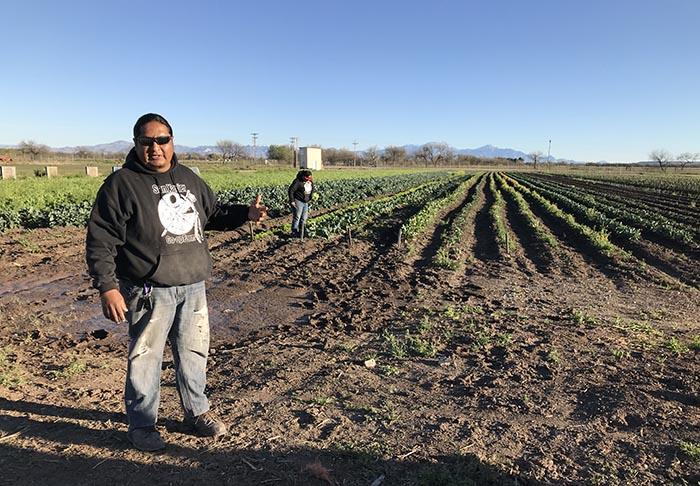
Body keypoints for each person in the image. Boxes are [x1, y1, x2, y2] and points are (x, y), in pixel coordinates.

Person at [85, 113, 267, 452]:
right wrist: (107, 286)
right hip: (148, 288)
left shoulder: (187, 178)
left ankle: (196, 413)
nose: (155, 148)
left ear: (172, 141)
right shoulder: (122, 184)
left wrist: (246, 214)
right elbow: (101, 238)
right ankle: (142, 425)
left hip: (193, 286)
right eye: (147, 141)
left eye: (162, 140)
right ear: (136, 144)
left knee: (193, 354)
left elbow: (212, 214)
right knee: (146, 357)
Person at [288, 169, 314, 237]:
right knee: (297, 217)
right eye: (307, 178)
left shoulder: (309, 181)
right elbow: (291, 190)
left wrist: (311, 196)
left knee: (304, 218)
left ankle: (302, 231)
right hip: (298, 201)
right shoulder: (298, 181)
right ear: (304, 177)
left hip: (306, 202)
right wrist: (292, 201)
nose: (309, 179)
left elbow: (312, 188)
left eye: (310, 178)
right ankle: (294, 231)